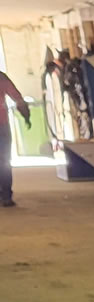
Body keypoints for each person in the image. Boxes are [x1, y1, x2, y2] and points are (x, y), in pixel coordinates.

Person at [0, 69, 31, 208]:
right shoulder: (1, 77)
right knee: (4, 161)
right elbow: (17, 97)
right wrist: (26, 116)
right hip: (2, 126)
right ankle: (6, 196)